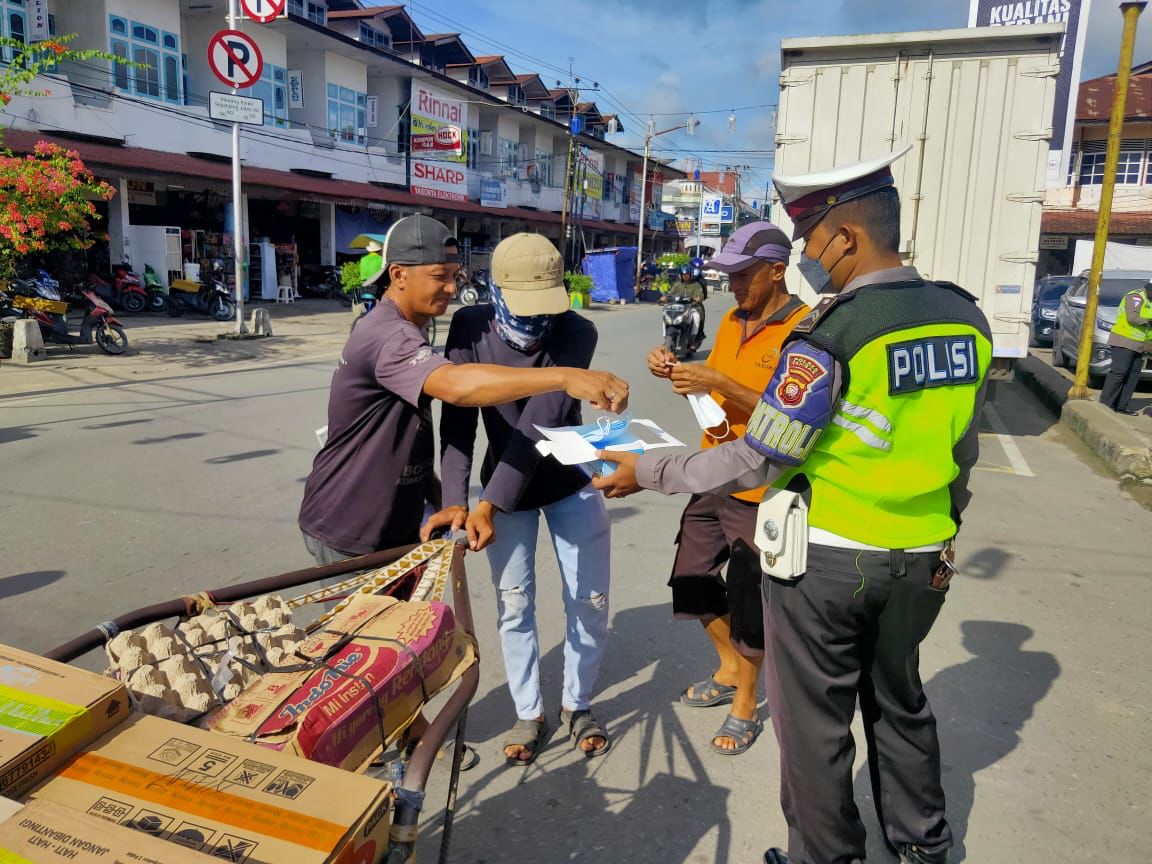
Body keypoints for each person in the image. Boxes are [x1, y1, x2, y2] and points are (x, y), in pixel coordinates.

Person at [592, 146, 991, 864]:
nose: (811, 257)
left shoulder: (834, 334)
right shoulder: (965, 319)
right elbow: (963, 453)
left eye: (811, 242)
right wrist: (943, 532)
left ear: (846, 237)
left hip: (831, 564)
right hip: (925, 556)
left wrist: (645, 469)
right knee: (901, 706)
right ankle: (924, 851)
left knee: (815, 731)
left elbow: (759, 455)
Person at [298, 214, 627, 567]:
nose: (453, 289)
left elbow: (413, 431)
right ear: (398, 275)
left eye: (455, 277)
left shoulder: (409, 329)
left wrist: (449, 498)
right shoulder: (391, 336)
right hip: (351, 525)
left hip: (400, 517)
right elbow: (456, 391)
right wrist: (562, 377)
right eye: (440, 277)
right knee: (369, 622)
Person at [423, 232, 612, 765]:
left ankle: (578, 704)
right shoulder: (469, 326)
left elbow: (541, 419)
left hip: (570, 484)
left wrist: (489, 505)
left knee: (589, 603)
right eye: (523, 309)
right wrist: (458, 501)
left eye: (544, 310)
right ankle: (529, 711)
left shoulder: (577, 330)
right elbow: (457, 424)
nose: (534, 325)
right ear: (496, 289)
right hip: (501, 495)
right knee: (514, 605)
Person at [647, 221, 808, 756]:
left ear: (778, 270)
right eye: (730, 276)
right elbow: (712, 395)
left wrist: (715, 381)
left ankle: (746, 699)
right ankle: (729, 667)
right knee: (689, 580)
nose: (734, 286)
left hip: (761, 488)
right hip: (714, 470)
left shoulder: (805, 332)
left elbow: (793, 418)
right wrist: (678, 374)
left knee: (747, 602)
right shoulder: (731, 322)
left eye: (744, 275)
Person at [1098, 279, 1152, 416]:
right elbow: (1132, 318)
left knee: (1133, 376)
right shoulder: (1136, 297)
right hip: (1124, 341)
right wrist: (1149, 321)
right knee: (1119, 373)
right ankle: (1105, 405)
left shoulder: (1150, 301)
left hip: (1139, 345)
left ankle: (1122, 406)